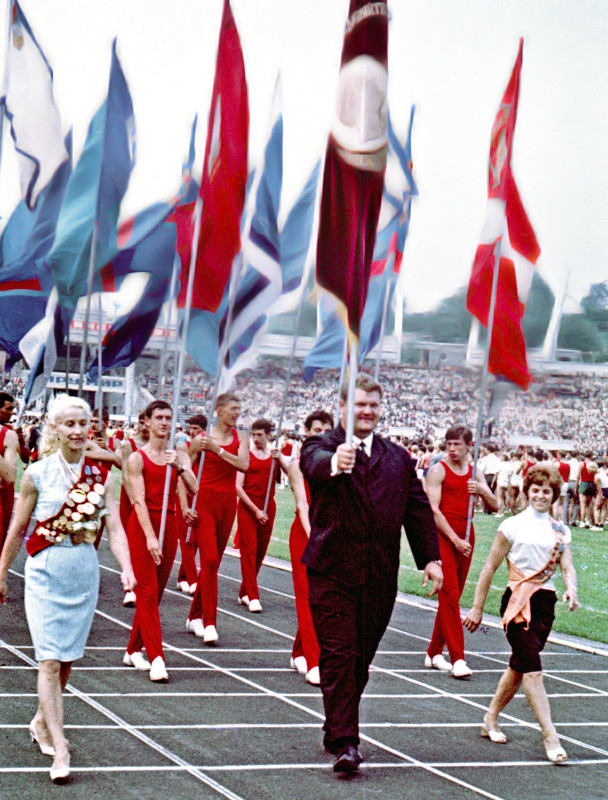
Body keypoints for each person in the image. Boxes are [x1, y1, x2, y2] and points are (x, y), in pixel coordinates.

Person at [300, 374, 442, 774]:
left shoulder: (397, 457)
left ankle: (336, 727)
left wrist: (431, 559)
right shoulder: (322, 446)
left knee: (360, 661)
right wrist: (334, 463)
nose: (367, 411)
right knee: (339, 656)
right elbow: (312, 464)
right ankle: (347, 743)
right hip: (331, 573)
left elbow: (416, 509)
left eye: (373, 405)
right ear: (344, 406)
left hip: (379, 577)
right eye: (359, 404)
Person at [0, 394, 136, 784]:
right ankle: (61, 747)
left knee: (68, 658)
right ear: (54, 428)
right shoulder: (36, 474)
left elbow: (114, 530)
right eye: (70, 424)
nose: (78, 431)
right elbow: (18, 529)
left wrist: (126, 569)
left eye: (83, 423)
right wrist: (2, 571)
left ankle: (41, 722)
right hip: (45, 571)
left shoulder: (102, 477)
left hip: (82, 570)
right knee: (50, 660)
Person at [464, 465, 578, 763]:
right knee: (533, 671)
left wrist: (571, 589)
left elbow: (567, 566)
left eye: (547, 491)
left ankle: (490, 718)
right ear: (527, 491)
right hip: (517, 605)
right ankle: (551, 738)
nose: (541, 495)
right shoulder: (512, 525)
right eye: (536, 490)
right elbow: (489, 567)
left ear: (554, 495)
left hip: (545, 605)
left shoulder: (560, 531)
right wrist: (477, 607)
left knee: (519, 665)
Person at [124, 400, 198, 681]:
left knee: (155, 594)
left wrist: (181, 467)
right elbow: (138, 501)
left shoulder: (177, 455)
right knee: (146, 591)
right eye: (158, 418)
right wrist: (150, 537)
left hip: (169, 523)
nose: (164, 423)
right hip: (144, 526)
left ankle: (132, 650)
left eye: (168, 418)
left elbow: (194, 488)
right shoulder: (137, 458)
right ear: (147, 422)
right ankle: (157, 658)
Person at [424, 425, 497, 678]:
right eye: (448, 444)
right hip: (445, 536)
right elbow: (433, 511)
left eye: (457, 444)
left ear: (469, 446)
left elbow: (496, 505)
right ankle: (458, 659)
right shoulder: (437, 470)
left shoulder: (475, 472)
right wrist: (454, 540)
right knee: (450, 595)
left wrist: (482, 491)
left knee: (451, 597)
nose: (452, 449)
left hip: (466, 535)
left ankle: (433, 652)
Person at [186, 393, 249, 644]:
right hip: (204, 501)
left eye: (239, 409)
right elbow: (185, 471)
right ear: (219, 411)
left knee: (215, 563)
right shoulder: (201, 440)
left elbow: (244, 465)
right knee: (209, 559)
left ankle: (194, 616)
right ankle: (210, 622)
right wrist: (187, 505)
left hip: (227, 502)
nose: (237, 413)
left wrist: (218, 450)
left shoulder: (240, 438)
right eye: (233, 409)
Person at [288, 409, 333, 686]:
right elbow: (303, 505)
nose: (322, 436)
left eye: (326, 431)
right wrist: (314, 537)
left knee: (322, 598)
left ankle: (298, 652)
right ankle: (314, 661)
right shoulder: (297, 464)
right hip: (305, 535)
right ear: (307, 432)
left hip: (328, 535)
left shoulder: (334, 463)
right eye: (317, 430)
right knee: (306, 596)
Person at [235, 418, 289, 612]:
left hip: (268, 507)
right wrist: (255, 510)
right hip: (249, 507)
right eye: (254, 434)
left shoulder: (274, 457)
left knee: (259, 553)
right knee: (248, 552)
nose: (256, 438)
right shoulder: (246, 456)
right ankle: (253, 596)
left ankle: (244, 592)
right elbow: (238, 487)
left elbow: (291, 474)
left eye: (260, 435)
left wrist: (281, 457)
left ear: (269, 435)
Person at [118, 411, 149, 607]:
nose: (145, 427)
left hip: (150, 498)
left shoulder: (159, 446)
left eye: (148, 422)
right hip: (131, 498)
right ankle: (129, 589)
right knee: (130, 542)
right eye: (141, 422)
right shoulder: (128, 444)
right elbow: (126, 477)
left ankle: (142, 583)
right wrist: (135, 503)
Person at [175, 413, 208, 594]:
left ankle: (183, 578)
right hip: (183, 492)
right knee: (186, 537)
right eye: (191, 428)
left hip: (199, 493)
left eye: (197, 429)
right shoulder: (184, 446)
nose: (193, 432)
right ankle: (193, 579)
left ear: (204, 430)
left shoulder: (206, 445)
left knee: (194, 538)